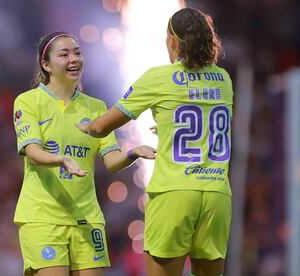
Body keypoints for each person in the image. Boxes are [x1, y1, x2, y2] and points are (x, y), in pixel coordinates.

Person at [76, 8, 233, 276]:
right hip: (217, 194)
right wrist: (169, 127)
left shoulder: (158, 78)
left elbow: (102, 127)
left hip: (174, 193)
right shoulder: (224, 80)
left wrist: (88, 125)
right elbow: (198, 117)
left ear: (173, 40)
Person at [13, 31, 156, 276]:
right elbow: (33, 152)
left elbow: (111, 162)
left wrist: (132, 153)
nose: (74, 59)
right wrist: (61, 160)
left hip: (87, 218)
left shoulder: (96, 107)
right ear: (46, 65)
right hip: (43, 217)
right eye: (64, 54)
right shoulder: (28, 102)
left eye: (77, 52)